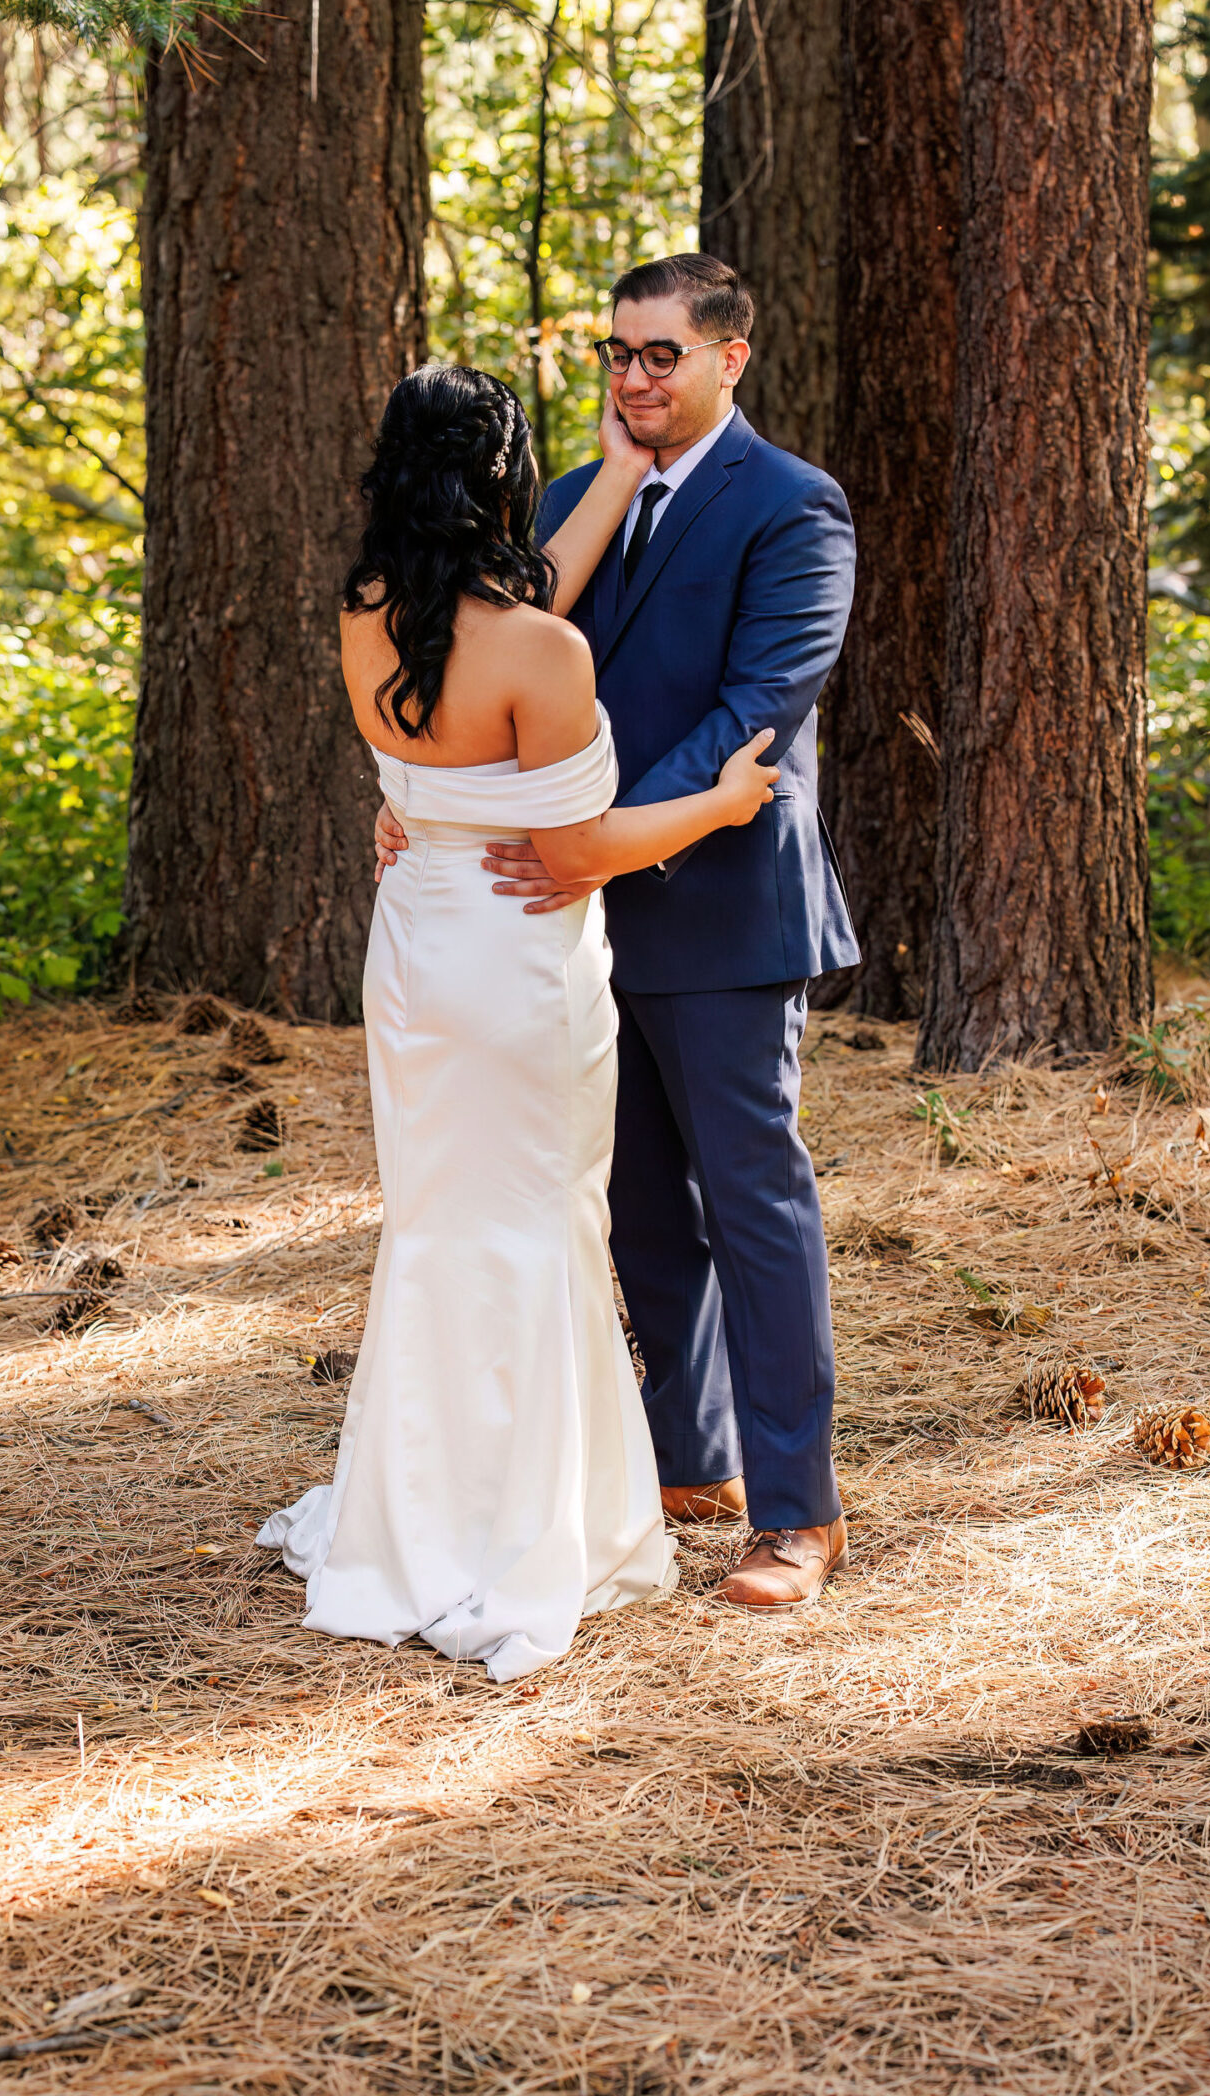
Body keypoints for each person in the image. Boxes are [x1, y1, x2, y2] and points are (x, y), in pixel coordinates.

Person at [256, 361, 781, 1682]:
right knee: (541, 1221)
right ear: (500, 479)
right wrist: (719, 806)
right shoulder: (545, 654)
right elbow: (577, 845)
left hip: (417, 954)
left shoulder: (368, 613)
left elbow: (491, 645)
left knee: (444, 1224)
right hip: (517, 971)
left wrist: (609, 477)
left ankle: (417, 1509)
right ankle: (534, 1523)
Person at [379, 254, 860, 1611]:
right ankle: (685, 1459)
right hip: (567, 932)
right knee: (638, 1211)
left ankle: (796, 1516)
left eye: (661, 354)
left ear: (730, 356)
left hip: (716, 909)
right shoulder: (572, 505)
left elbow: (755, 712)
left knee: (755, 1207)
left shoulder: (791, 508)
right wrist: (440, 804)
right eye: (618, 354)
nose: (635, 378)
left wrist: (584, 839)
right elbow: (477, 659)